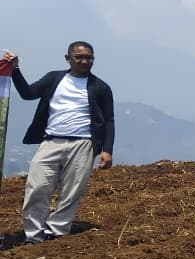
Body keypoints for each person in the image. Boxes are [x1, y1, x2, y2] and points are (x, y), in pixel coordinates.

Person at [6, 42, 115, 244]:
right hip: (51, 141)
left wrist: (106, 151)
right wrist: (15, 70)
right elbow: (28, 93)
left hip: (83, 144)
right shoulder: (54, 78)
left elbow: (109, 120)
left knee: (72, 190)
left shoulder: (100, 87)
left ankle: (56, 231)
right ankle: (33, 234)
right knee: (37, 187)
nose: (84, 61)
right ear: (68, 58)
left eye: (89, 57)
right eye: (79, 57)